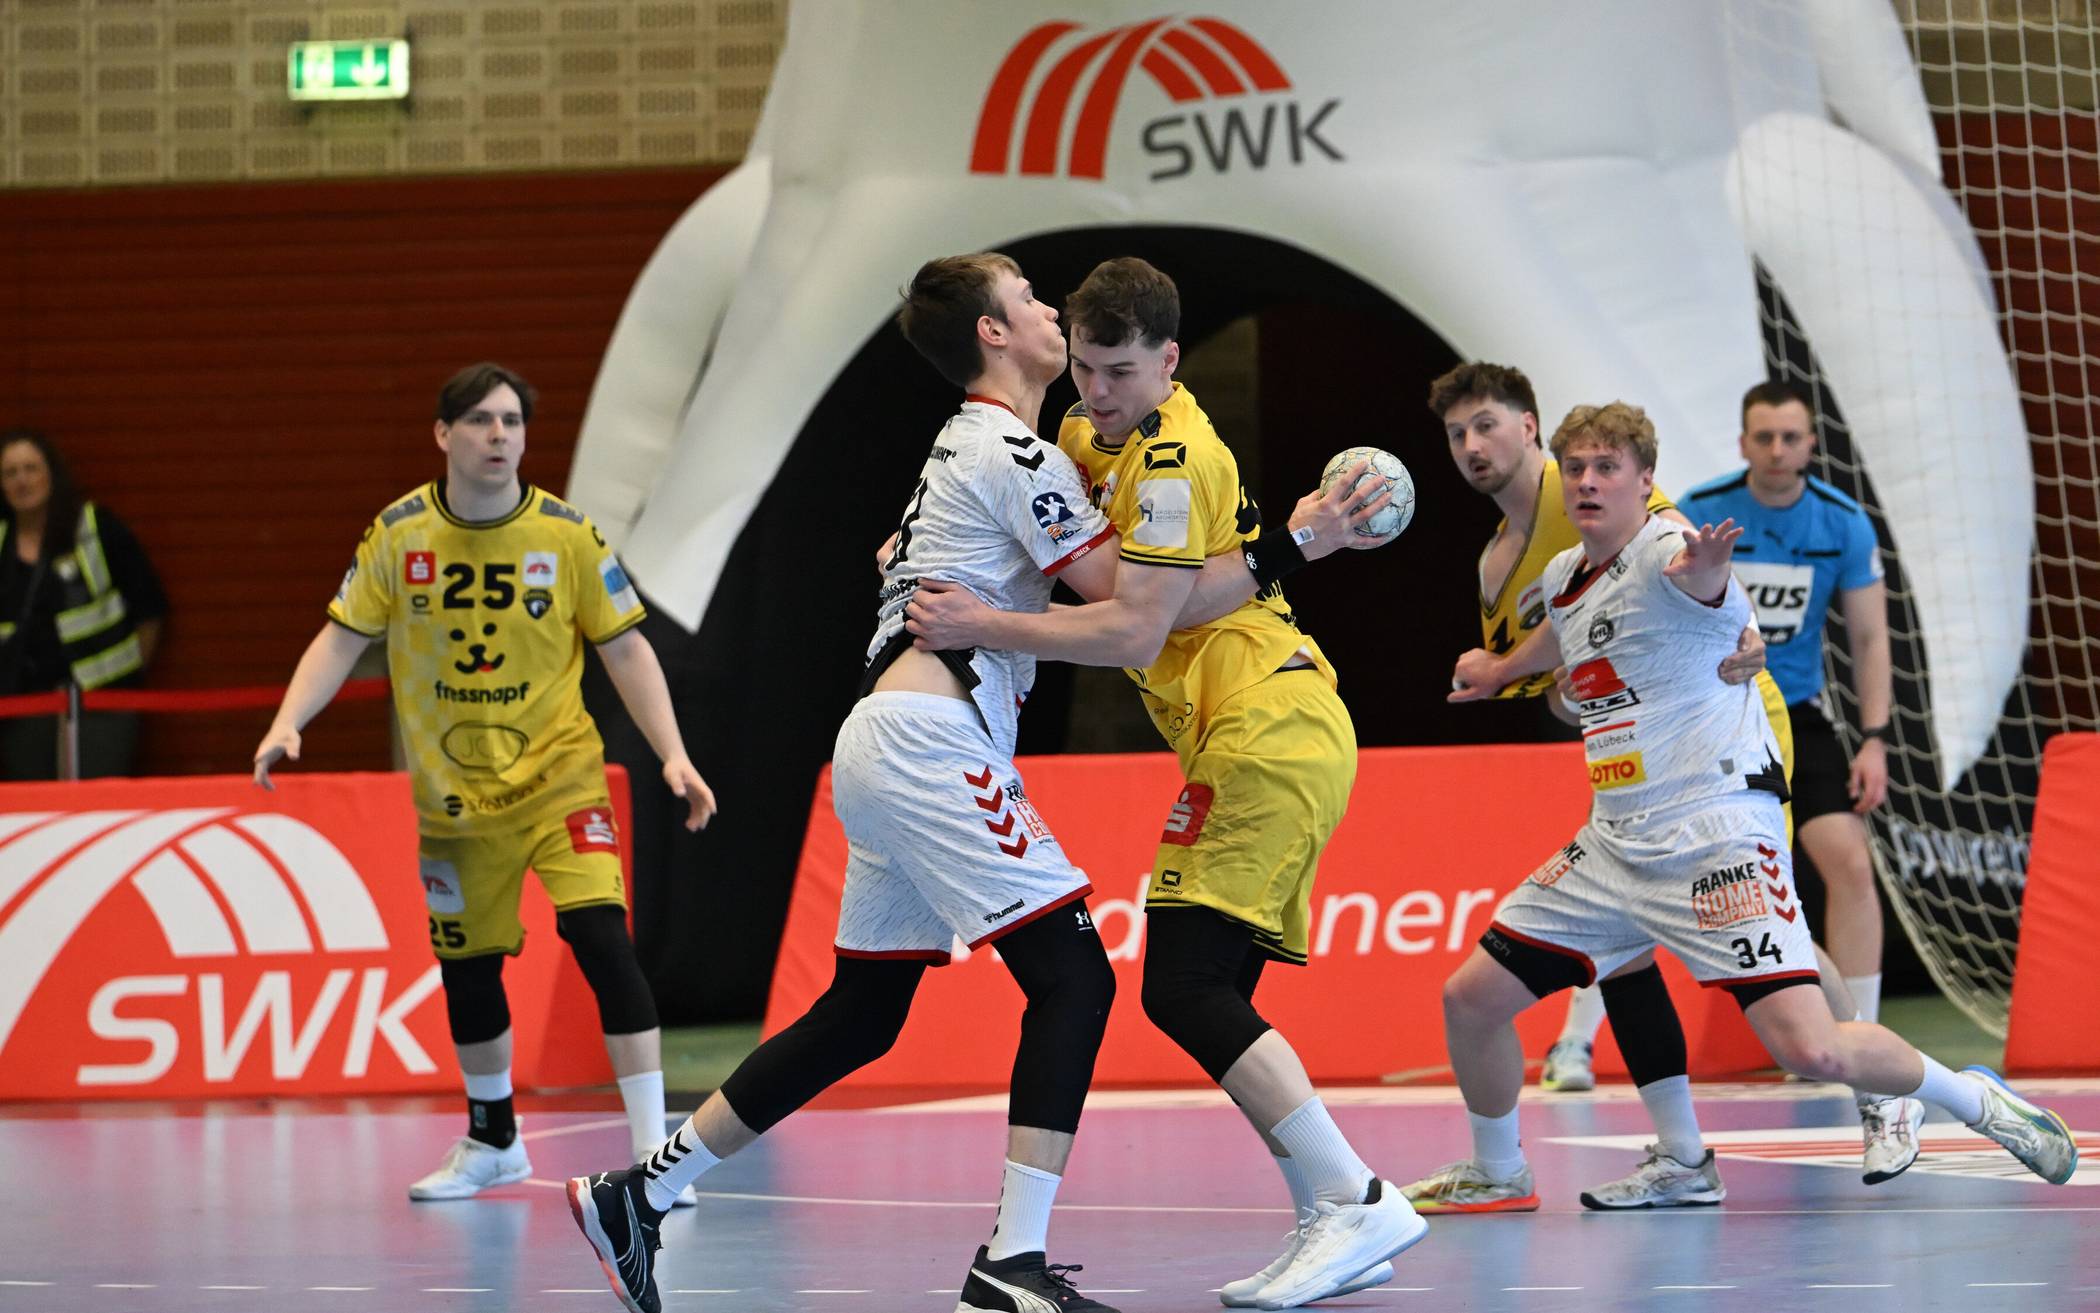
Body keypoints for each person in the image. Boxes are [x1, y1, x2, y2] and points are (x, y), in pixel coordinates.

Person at [906, 256, 1424, 1311]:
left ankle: (1357, 1197)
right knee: (1216, 995)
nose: (1099, 392)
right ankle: (1331, 1213)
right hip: (1238, 732)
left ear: (1171, 360)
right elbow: (1037, 524)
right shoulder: (1081, 433)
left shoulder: (1180, 459)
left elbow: (1138, 629)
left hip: (1266, 725)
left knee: (1182, 988)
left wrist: (981, 622)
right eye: (1087, 368)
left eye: (1124, 372)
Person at [1406, 400, 2076, 1213]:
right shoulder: (1563, 575)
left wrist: (1716, 583)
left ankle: (1975, 1099)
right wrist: (1502, 667)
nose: (1587, 482)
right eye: (1575, 467)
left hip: (1715, 835)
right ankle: (1501, 1170)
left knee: (1812, 1049)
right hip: (1615, 841)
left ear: (1644, 481)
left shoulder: (1670, 550)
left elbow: (1708, 589)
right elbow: (1570, 629)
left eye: (1607, 468)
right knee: (1471, 998)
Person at [252, 363, 717, 1206]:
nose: (499, 435)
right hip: (455, 802)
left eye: (512, 421)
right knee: (468, 970)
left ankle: (655, 1155)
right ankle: (494, 1138)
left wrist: (673, 754)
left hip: (561, 782)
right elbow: (340, 635)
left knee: (602, 940)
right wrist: (290, 720)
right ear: (443, 434)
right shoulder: (398, 535)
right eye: (479, 420)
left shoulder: (568, 536)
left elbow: (625, 648)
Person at [0, 426, 167, 778]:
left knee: (97, 798)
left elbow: (149, 609)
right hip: (21, 706)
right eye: (10, 473)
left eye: (31, 469)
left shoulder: (96, 528)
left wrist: (127, 680)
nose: (22, 481)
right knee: (35, 804)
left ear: (52, 475)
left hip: (102, 704)